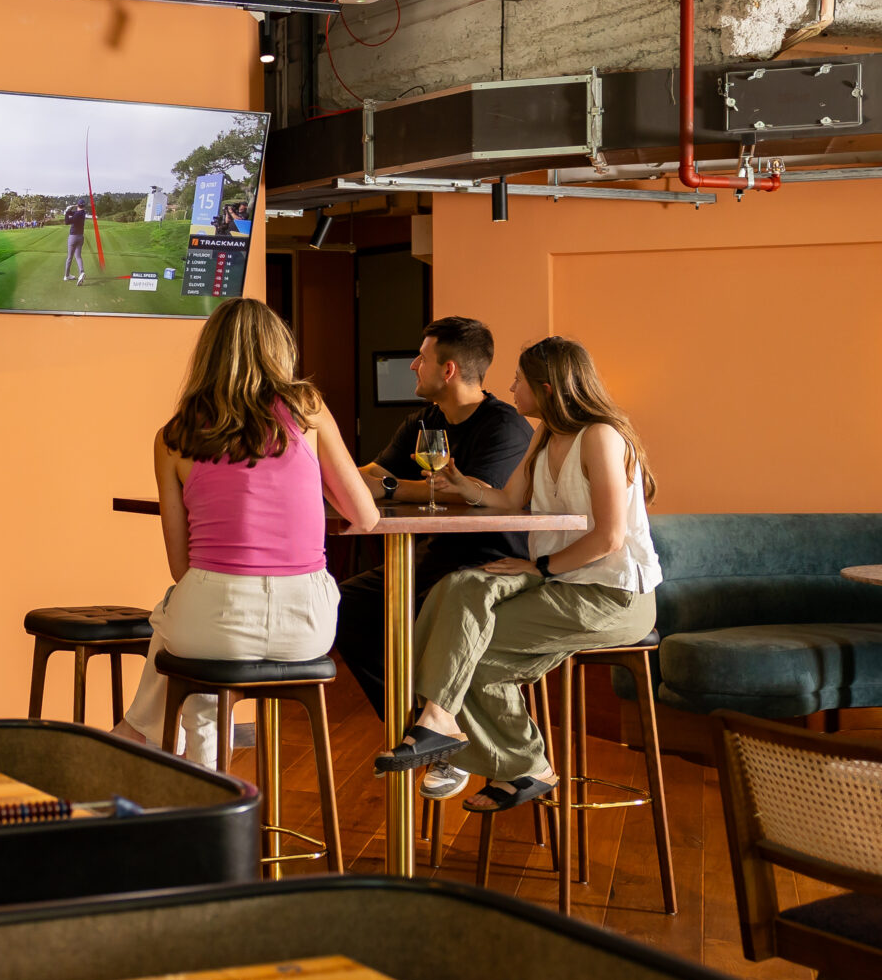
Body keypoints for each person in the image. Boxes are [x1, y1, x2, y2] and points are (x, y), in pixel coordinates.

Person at [375, 336, 662, 814]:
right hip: (561, 582)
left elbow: (610, 537)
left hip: (612, 595)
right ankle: (457, 729)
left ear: (546, 388)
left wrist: (539, 567)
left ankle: (462, 736)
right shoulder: (545, 436)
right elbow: (508, 500)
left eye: (518, 381)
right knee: (458, 589)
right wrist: (463, 485)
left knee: (468, 647)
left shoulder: (601, 436)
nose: (510, 388)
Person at [114, 298, 379, 766]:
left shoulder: (173, 437)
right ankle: (149, 736)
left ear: (207, 355)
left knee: (176, 621)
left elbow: (181, 567)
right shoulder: (307, 410)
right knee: (178, 622)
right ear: (279, 350)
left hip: (213, 617)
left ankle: (176, 754)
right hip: (307, 624)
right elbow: (365, 516)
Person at [336, 318, 533, 705]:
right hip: (433, 557)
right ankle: (408, 713)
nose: (413, 365)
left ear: (448, 370)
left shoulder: (504, 426)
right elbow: (374, 472)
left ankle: (434, 714)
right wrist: (326, 473)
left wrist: (391, 487)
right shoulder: (423, 421)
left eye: (422, 358)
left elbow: (473, 494)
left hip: (489, 561)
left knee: (419, 611)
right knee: (343, 605)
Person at [62, 201, 89, 284]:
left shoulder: (77, 214)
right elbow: (73, 213)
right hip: (80, 237)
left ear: (78, 205)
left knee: (69, 257)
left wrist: (67, 212)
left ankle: (67, 276)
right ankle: (82, 272)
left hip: (73, 237)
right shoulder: (82, 213)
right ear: (83, 206)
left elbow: (67, 222)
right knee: (78, 256)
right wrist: (68, 211)